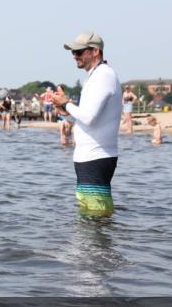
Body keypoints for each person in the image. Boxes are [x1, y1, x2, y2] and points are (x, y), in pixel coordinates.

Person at [52, 32, 123, 217]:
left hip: (96, 156)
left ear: (95, 51)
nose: (75, 56)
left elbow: (89, 118)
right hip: (89, 156)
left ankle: (103, 237)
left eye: (79, 51)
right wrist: (67, 111)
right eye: (73, 52)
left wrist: (66, 103)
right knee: (90, 215)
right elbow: (90, 117)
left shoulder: (104, 75)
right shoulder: (96, 76)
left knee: (96, 216)